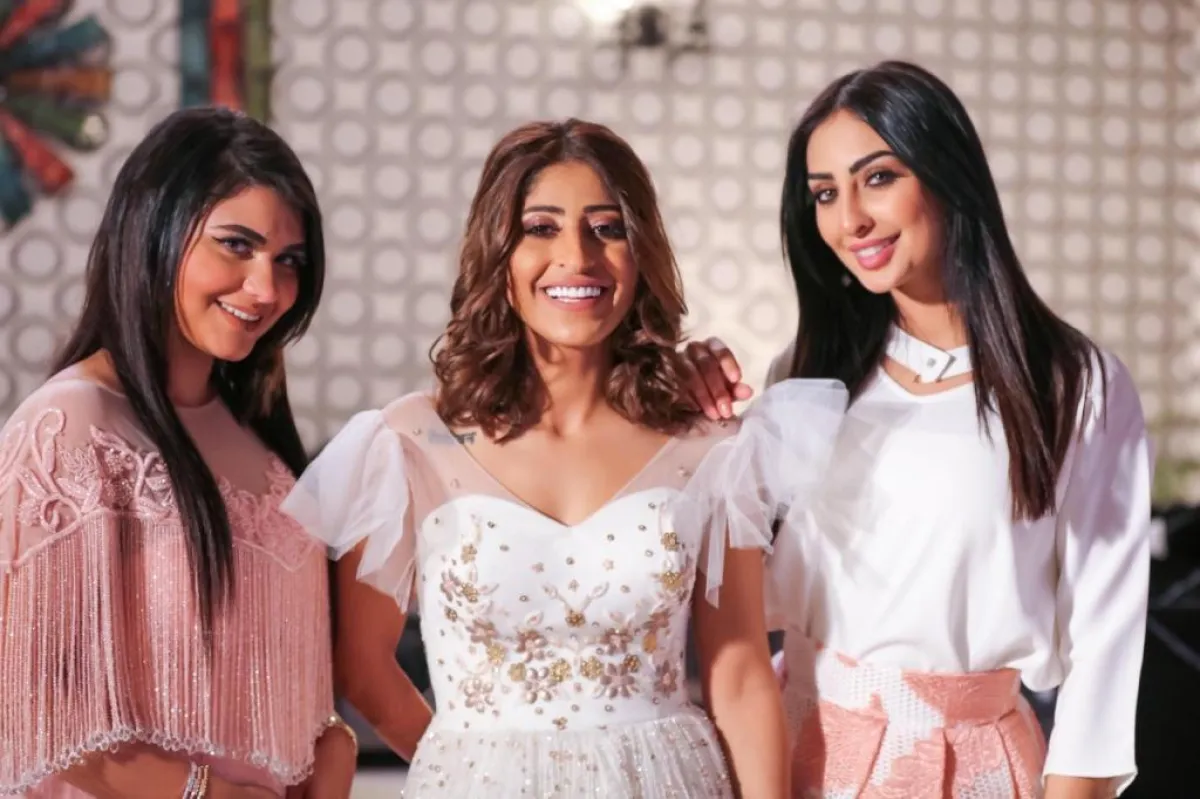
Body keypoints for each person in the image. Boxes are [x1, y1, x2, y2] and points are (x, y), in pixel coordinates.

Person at [282, 119, 844, 797]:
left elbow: (741, 673)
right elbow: (362, 667)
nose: (577, 256)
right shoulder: (410, 441)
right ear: (498, 253)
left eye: (607, 228)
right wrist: (465, 765)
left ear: (640, 254)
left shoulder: (710, 445)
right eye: (540, 228)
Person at [683, 61, 1151, 798]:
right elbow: (710, 569)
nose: (850, 220)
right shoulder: (806, 376)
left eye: (877, 178)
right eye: (825, 193)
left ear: (945, 173)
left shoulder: (1076, 385)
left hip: (974, 768)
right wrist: (683, 405)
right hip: (798, 750)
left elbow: (1106, 648)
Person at [0, 107, 356, 798]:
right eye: (236, 245)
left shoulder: (260, 439)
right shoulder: (71, 425)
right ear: (154, 230)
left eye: (288, 261)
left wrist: (332, 745)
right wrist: (211, 794)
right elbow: (30, 701)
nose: (267, 288)